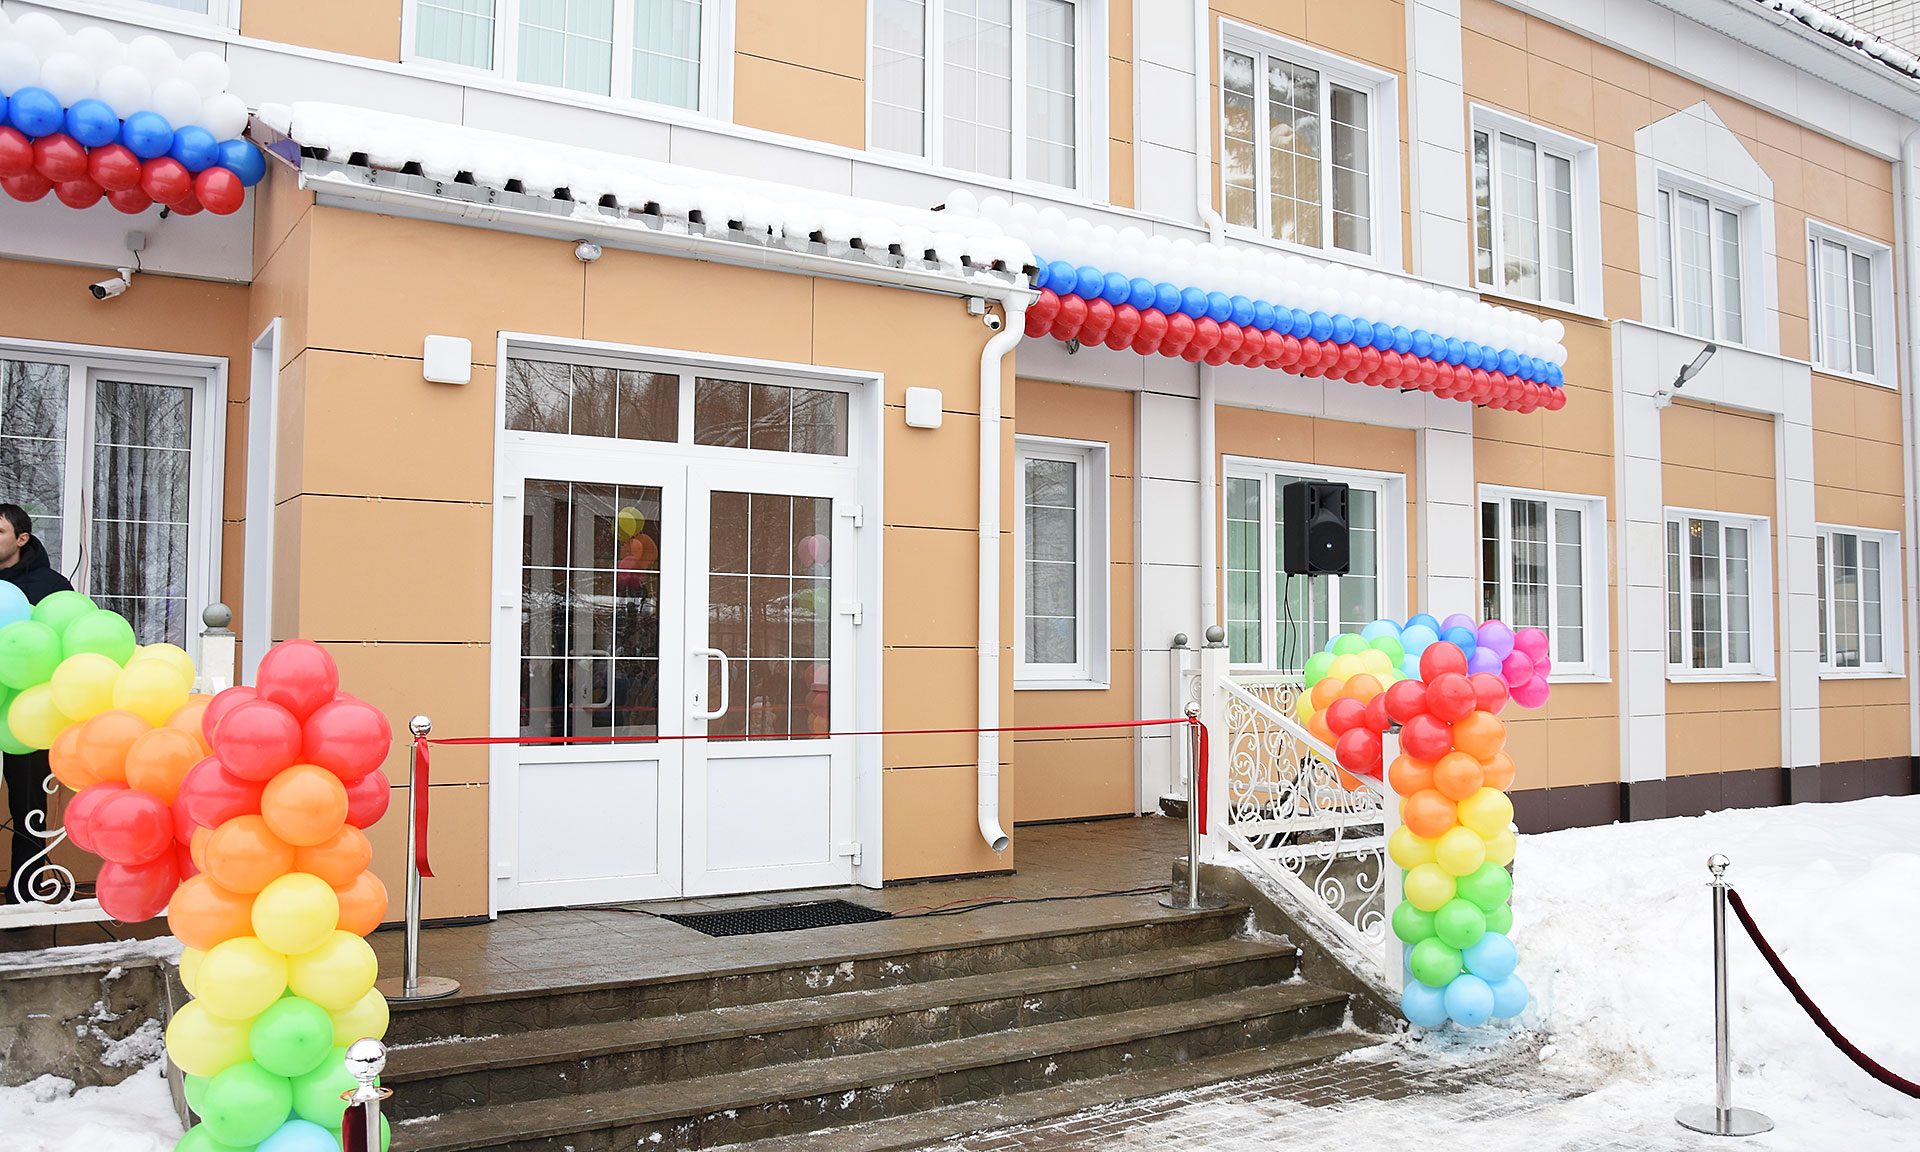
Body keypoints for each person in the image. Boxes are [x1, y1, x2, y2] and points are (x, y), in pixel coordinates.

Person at [0, 504, 73, 902]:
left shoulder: (49, 586)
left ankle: (24, 893)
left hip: (28, 712)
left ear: (22, 538)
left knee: (28, 803)